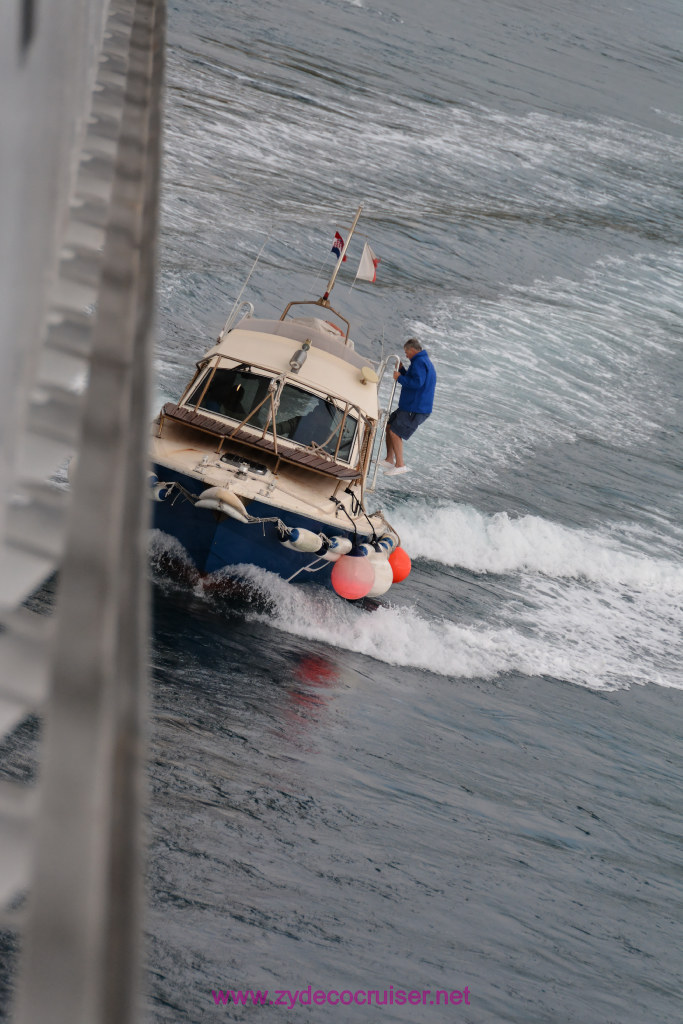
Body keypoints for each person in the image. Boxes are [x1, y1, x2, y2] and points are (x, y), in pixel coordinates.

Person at [381, 338, 436, 476]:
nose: (405, 355)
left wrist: (399, 378)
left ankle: (400, 465)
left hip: (415, 408)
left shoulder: (420, 363)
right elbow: (414, 379)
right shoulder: (419, 361)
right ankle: (389, 459)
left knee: (395, 432)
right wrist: (402, 371)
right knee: (389, 425)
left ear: (412, 350)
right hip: (409, 405)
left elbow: (417, 383)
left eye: (406, 352)